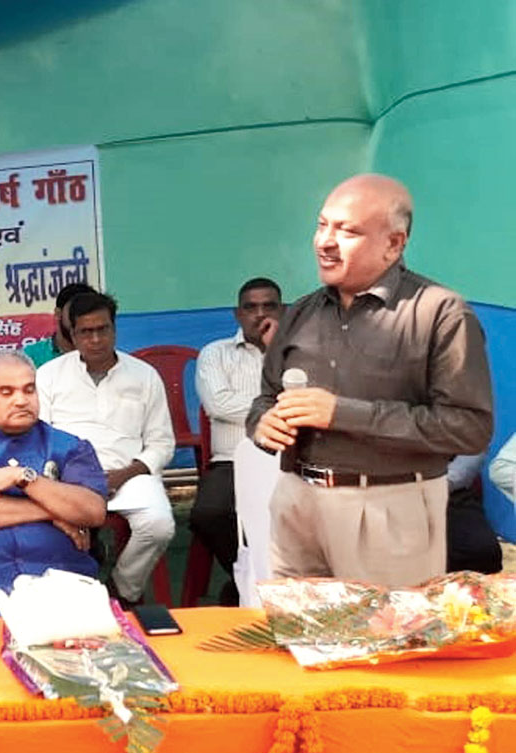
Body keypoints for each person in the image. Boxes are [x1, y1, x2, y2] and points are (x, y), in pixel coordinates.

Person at [249, 174, 494, 585]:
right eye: (322, 224)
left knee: (385, 643)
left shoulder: (439, 313)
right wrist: (262, 422)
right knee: (299, 642)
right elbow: (266, 398)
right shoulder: (301, 313)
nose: (325, 241)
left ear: (394, 244)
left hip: (388, 506)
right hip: (298, 503)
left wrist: (342, 414)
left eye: (347, 231)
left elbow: (468, 429)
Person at [0, 351, 108, 617]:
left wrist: (23, 478)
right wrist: (53, 512)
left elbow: (93, 511)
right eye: (6, 392)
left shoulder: (70, 447)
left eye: (29, 390)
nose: (21, 400)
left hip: (61, 580)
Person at [37, 291, 175, 605]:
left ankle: (122, 590)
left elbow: (161, 442)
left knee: (159, 525)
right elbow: (41, 440)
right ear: (71, 334)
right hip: (69, 478)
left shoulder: (144, 375)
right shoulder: (49, 376)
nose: (96, 339)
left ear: (114, 329)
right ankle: (69, 600)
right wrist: (59, 481)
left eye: (103, 329)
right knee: (46, 526)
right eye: (86, 331)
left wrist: (125, 474)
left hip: (126, 475)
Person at [190, 277, 284, 604]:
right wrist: (277, 409)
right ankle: (244, 576)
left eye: (268, 306)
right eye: (250, 307)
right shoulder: (215, 354)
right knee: (210, 513)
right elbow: (219, 404)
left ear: (282, 310)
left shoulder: (298, 352)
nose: (259, 314)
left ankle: (265, 581)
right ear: (237, 314)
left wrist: (278, 351)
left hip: (290, 458)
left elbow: (313, 396)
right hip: (231, 459)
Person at [444, 454, 502, 574]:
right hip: (399, 487)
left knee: (482, 550)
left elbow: (464, 468)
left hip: (451, 490)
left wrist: (435, 486)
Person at [21, 282, 95, 369]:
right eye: (75, 313)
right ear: (58, 314)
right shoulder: (30, 357)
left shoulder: (102, 354)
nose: (82, 321)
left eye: (88, 314)